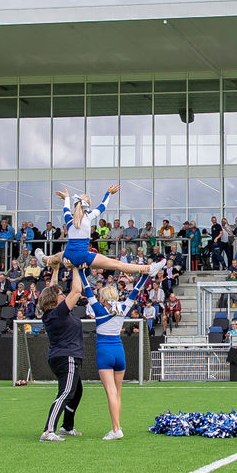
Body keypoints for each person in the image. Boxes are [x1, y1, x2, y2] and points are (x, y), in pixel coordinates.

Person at [77, 268, 147, 440]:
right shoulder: (123, 307)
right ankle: (117, 426)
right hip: (119, 351)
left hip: (105, 352)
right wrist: (146, 275)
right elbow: (136, 291)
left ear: (103, 298)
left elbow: (86, 289)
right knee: (118, 392)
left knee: (110, 393)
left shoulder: (99, 310)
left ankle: (116, 429)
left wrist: (80, 271)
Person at [35, 186, 165, 280]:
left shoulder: (69, 219)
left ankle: (43, 259)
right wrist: (108, 193)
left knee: (57, 256)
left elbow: (65, 209)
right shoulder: (88, 217)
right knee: (117, 264)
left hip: (69, 254)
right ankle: (149, 269)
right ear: (87, 206)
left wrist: (67, 198)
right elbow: (103, 206)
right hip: (82, 255)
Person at [38, 267, 85, 441]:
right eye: (60, 294)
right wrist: (75, 267)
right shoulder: (58, 313)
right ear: (54, 299)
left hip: (64, 356)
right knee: (66, 393)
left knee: (76, 392)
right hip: (67, 356)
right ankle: (49, 431)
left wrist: (56, 268)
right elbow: (77, 290)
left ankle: (67, 426)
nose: (64, 295)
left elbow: (53, 289)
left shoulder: (54, 313)